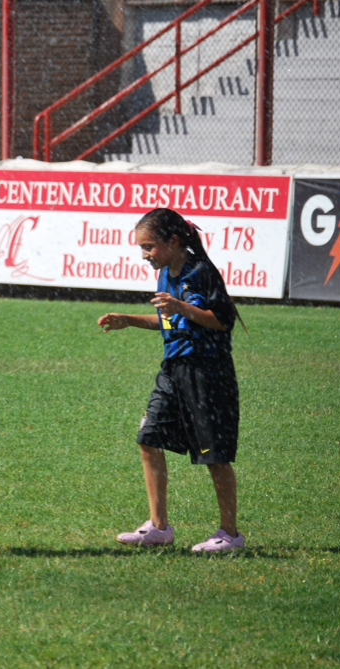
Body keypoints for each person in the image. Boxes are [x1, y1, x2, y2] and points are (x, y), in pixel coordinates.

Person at [98, 207, 245, 552]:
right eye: (142, 248)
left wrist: (181, 307)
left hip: (207, 373)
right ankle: (159, 527)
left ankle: (230, 534)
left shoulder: (201, 272)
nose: (144, 255)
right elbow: (169, 320)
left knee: (213, 454)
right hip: (173, 370)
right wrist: (129, 319)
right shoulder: (166, 272)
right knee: (148, 438)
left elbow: (222, 320)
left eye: (148, 247)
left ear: (174, 241)